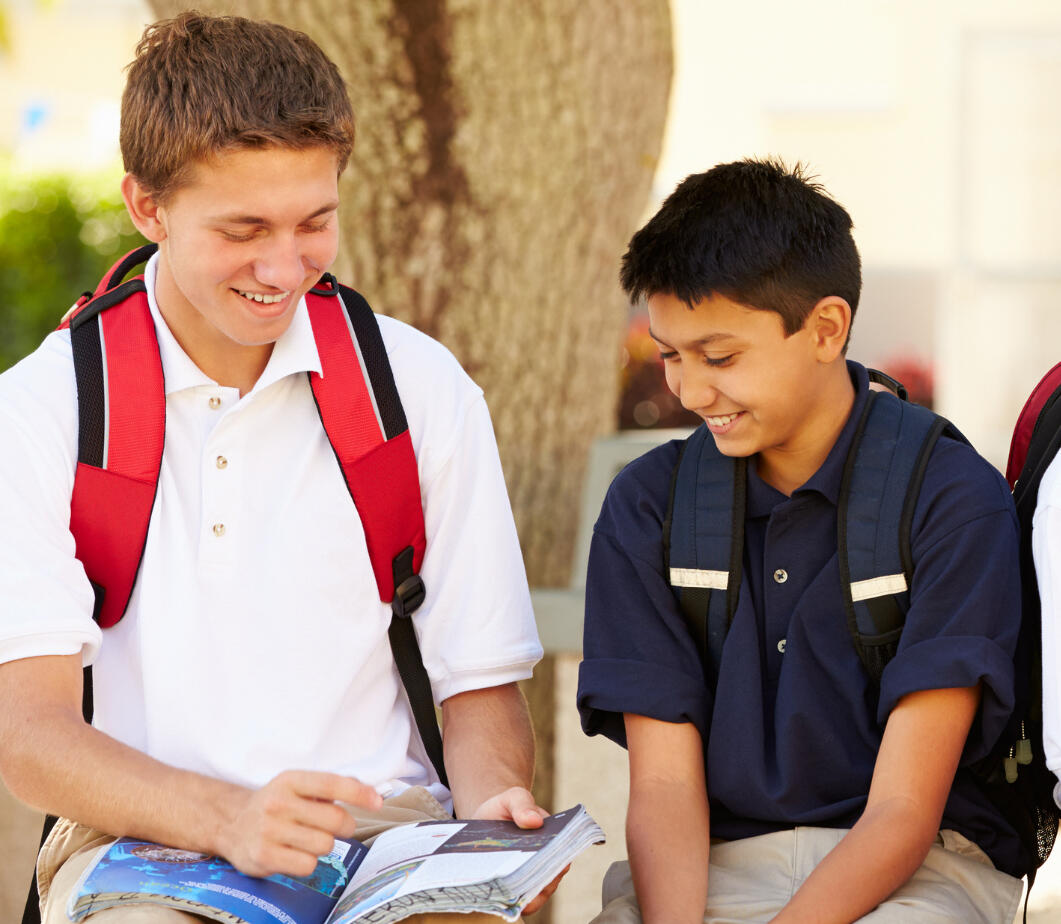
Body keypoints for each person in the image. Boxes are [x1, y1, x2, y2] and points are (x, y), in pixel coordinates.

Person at [0, 12, 556, 923]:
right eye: (243, 228)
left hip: (386, 833)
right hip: (148, 845)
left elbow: (477, 683)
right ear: (148, 207)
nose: (283, 265)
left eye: (314, 222)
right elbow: (30, 738)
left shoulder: (416, 388)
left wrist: (496, 817)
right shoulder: (41, 412)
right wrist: (229, 818)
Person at [576, 159, 1025, 923]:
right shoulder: (647, 506)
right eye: (670, 354)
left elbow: (903, 811)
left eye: (719, 357)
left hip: (915, 874)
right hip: (706, 870)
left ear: (825, 328)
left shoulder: (950, 498)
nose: (689, 391)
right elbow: (662, 788)